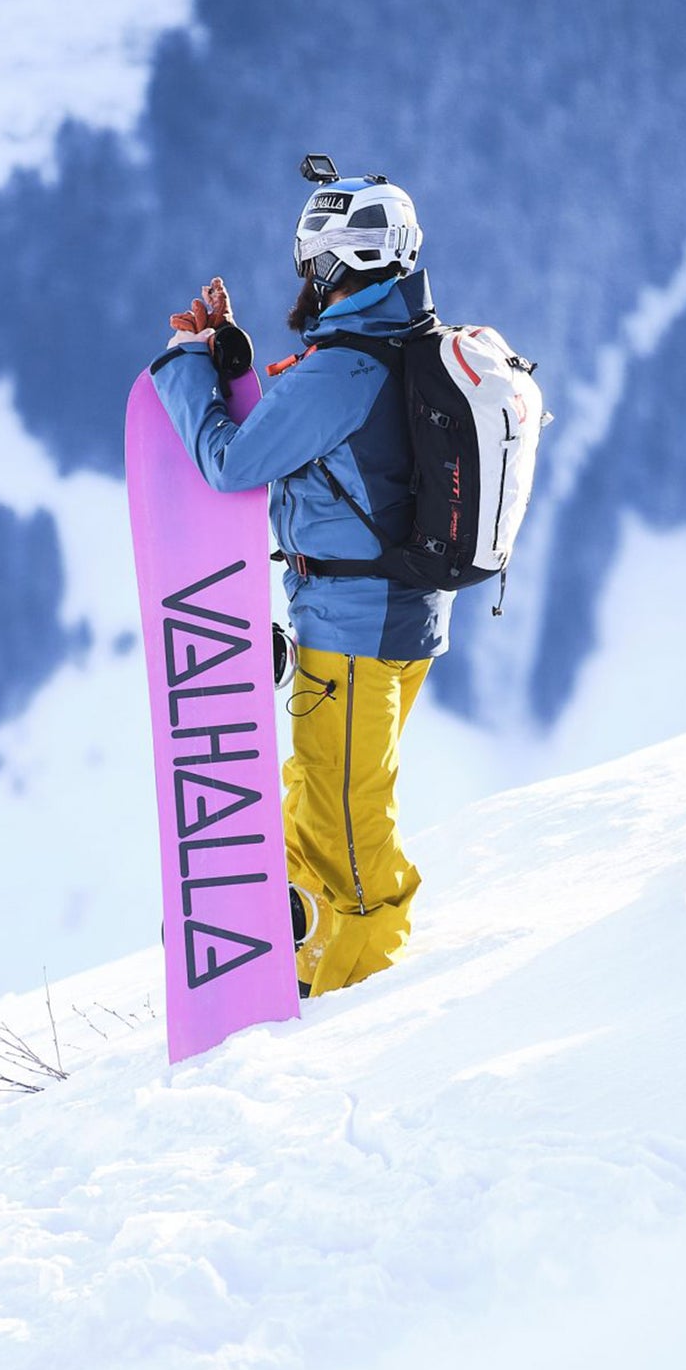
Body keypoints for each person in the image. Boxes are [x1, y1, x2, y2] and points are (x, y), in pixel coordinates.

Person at [150, 173, 447, 999]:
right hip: (401, 616)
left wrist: (181, 370)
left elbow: (235, 463)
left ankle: (356, 1000)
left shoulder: (342, 371)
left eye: (311, 263)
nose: (304, 279)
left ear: (337, 264)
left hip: (350, 626)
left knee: (351, 837)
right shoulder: (399, 341)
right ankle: (298, 946)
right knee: (325, 795)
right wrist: (233, 358)